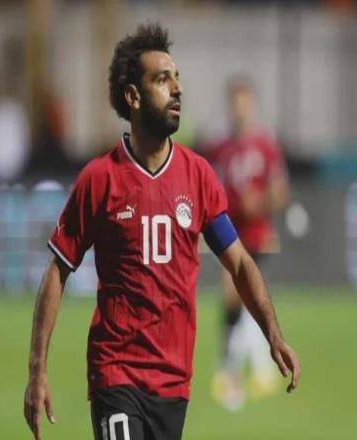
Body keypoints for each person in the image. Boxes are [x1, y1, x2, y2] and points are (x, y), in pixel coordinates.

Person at [23, 24, 299, 440]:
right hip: (116, 373)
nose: (177, 89)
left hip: (173, 381)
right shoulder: (100, 179)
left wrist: (272, 333)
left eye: (177, 78)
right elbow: (57, 270)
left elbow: (240, 263)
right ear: (133, 97)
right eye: (162, 79)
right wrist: (37, 369)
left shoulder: (198, 176)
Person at [207, 76, 290, 411]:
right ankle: (238, 367)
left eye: (244, 102)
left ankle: (239, 367)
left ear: (251, 105)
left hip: (257, 235)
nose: (240, 109)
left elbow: (280, 192)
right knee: (232, 296)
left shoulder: (265, 146)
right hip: (229, 233)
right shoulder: (220, 147)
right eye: (235, 102)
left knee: (248, 299)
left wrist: (261, 201)